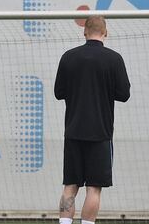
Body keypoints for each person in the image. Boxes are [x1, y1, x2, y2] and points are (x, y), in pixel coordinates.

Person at [54, 16, 130, 224]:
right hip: (100, 133)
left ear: (84, 32)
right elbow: (124, 94)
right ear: (106, 32)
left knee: (70, 185)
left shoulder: (68, 57)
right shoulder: (114, 59)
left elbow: (58, 92)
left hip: (73, 131)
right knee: (94, 187)